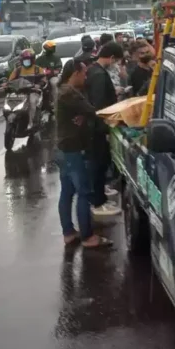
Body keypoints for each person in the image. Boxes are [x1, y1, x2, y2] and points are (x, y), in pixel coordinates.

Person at [55, 58, 113, 249]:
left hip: (63, 149)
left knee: (67, 192)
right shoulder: (69, 93)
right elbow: (91, 111)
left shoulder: (63, 91)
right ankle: (88, 237)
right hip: (72, 150)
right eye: (84, 73)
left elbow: (84, 113)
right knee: (84, 192)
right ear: (75, 74)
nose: (86, 77)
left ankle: (69, 233)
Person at [84, 42, 125, 217]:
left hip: (95, 126)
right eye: (116, 61)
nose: (115, 65)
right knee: (98, 164)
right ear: (112, 58)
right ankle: (98, 202)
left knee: (100, 163)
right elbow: (99, 106)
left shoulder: (94, 70)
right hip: (98, 128)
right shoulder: (99, 74)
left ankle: (101, 194)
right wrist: (105, 130)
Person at [8, 49, 45, 129]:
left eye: (28, 60)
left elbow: (44, 80)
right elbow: (10, 80)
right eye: (24, 60)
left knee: (32, 101)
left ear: (32, 60)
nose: (26, 62)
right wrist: (6, 84)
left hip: (33, 92)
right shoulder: (18, 70)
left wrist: (39, 85)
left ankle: (31, 122)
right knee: (10, 100)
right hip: (20, 92)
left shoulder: (38, 69)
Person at [36, 40, 63, 110]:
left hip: (52, 77)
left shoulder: (56, 58)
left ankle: (56, 104)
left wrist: (51, 72)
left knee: (54, 83)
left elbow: (58, 69)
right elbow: (35, 69)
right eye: (51, 47)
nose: (53, 49)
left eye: (53, 47)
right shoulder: (39, 59)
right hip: (41, 77)